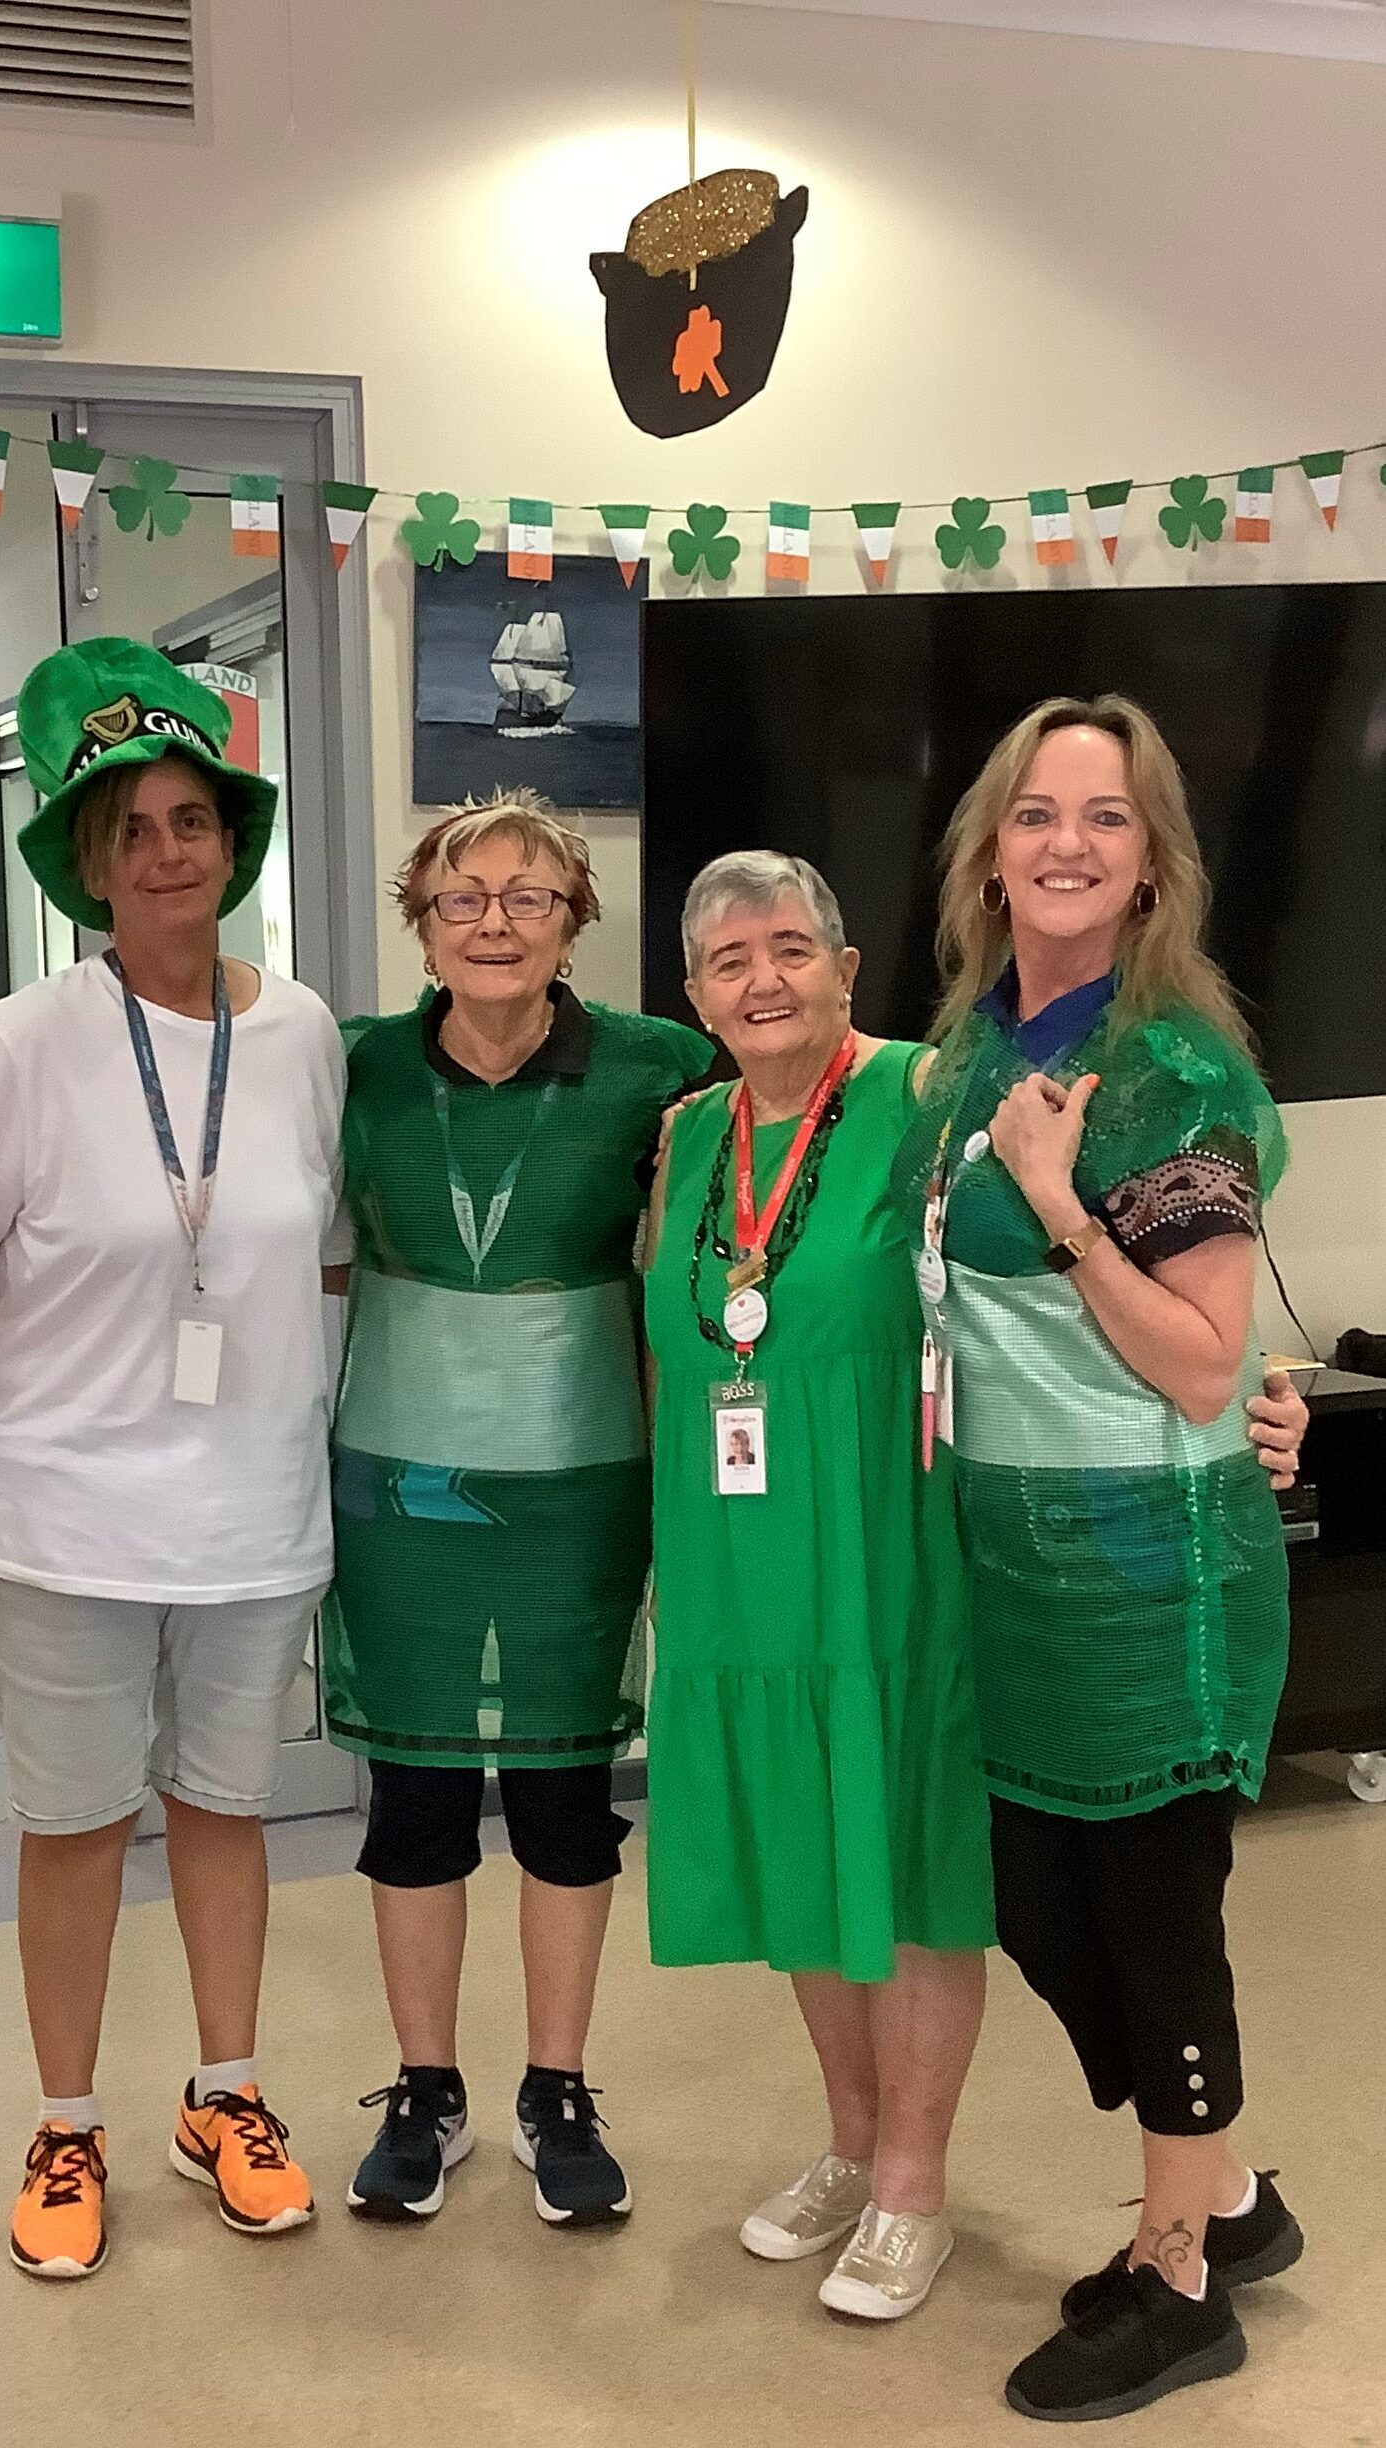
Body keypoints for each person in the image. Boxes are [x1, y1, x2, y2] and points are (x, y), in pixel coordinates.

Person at [643, 848, 1307, 2328]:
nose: (762, 981)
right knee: (804, 1850)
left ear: (845, 965)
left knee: (925, 1860)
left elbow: (1082, 1279)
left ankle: (913, 2186)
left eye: (790, 949)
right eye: (727, 960)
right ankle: (852, 2139)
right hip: (745, 1558)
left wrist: (1257, 1395)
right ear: (691, 994)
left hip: (905, 1539)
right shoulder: (685, 1134)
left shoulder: (923, 1101)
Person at [0, 639, 349, 2280]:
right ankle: (67, 2118)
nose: (168, 852)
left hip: (251, 1513)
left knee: (226, 1807)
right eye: (131, 829)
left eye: (194, 820)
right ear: (88, 866)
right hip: (56, 1513)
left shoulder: (302, 1032)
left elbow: (333, 1246)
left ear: (235, 843)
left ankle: (223, 2093)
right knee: (77, 1822)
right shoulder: (23, 1043)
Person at [893, 696, 1305, 2418]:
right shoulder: (971, 1042)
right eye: (1038, 811)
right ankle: (1224, 2188)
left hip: (1154, 1577)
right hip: (1019, 1569)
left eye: (1110, 817)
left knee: (1149, 1921)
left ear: (1152, 865)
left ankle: (1181, 2274)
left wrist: (1065, 1210)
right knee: (1043, 1913)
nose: (1068, 841)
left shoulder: (1174, 1067)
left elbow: (1211, 1367)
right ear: (991, 847)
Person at [323, 791, 712, 2227]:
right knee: (416, 1797)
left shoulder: (660, 1068)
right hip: (399, 1480)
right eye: (462, 897)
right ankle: (425, 2089)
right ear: (420, 921)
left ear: (575, 922)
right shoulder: (351, 1064)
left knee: (563, 1801)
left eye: (527, 898)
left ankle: (559, 2086)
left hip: (582, 1475)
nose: (493, 923)